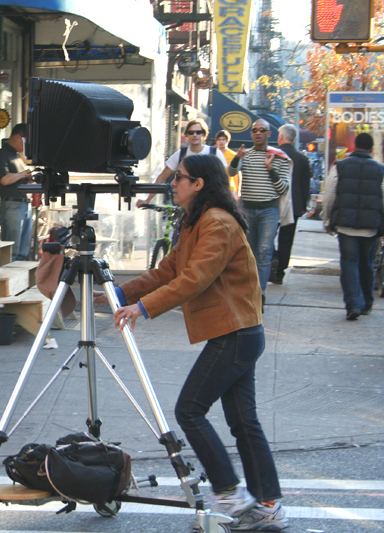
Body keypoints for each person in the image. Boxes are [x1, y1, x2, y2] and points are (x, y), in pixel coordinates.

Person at [100, 154, 287, 531]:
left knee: (190, 410)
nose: (173, 183)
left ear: (198, 183)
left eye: (180, 178)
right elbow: (168, 270)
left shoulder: (217, 223)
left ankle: (232, 496)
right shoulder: (196, 222)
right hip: (236, 332)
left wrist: (142, 308)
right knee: (243, 421)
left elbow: (195, 279)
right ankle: (267, 504)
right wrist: (119, 294)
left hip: (236, 333)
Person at [321, 132, 384, 320]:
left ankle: (352, 305)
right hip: (370, 226)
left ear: (354, 146)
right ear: (371, 149)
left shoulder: (340, 167)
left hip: (346, 225)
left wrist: (327, 219)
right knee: (367, 263)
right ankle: (366, 303)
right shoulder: (380, 170)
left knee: (349, 263)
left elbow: (330, 195)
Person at [228, 119, 290, 302]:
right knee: (249, 254)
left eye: (262, 130)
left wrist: (270, 169)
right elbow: (231, 172)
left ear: (269, 134)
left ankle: (260, 293)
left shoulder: (279, 157)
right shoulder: (246, 155)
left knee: (264, 252)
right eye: (255, 130)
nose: (258, 133)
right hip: (247, 209)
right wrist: (237, 157)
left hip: (268, 211)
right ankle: (250, 291)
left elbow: (283, 189)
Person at [138, 119, 228, 206]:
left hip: (209, 201)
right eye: (191, 132)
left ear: (204, 134)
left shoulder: (215, 153)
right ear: (186, 135)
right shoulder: (181, 154)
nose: (194, 135)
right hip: (187, 203)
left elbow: (224, 179)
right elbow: (162, 177)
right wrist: (148, 200)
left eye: (198, 132)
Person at [271, 125, 312, 284]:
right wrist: (303, 205)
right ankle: (280, 271)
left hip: (273, 202)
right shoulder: (302, 158)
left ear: (281, 137)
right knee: (286, 240)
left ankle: (272, 259)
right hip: (294, 205)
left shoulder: (273, 154)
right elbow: (305, 185)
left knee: (267, 237)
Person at [0, 123, 33, 261]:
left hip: (25, 204)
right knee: (12, 252)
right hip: (12, 205)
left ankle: (20, 281)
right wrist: (23, 174)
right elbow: (4, 179)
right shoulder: (1, 155)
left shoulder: (17, 156)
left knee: (23, 251)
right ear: (17, 137)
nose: (27, 146)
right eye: (26, 141)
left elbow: (18, 178)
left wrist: (29, 179)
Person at [215, 129, 240, 198]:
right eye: (219, 139)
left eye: (223, 139)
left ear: (227, 141)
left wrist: (238, 190)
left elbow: (237, 174)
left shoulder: (233, 155)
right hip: (215, 187)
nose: (221, 142)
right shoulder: (213, 153)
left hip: (230, 187)